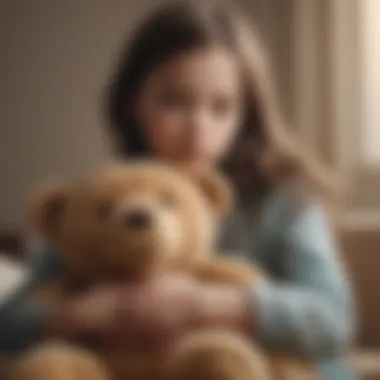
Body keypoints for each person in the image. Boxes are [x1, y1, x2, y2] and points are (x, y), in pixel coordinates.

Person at [0, 0, 356, 378]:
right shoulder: (103, 207)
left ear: (246, 115)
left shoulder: (281, 201)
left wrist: (202, 304)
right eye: (175, 102)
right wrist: (81, 314)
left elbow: (333, 318)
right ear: (132, 101)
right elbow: (9, 322)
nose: (198, 129)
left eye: (222, 108)